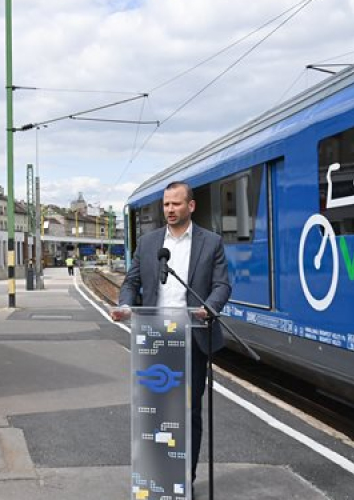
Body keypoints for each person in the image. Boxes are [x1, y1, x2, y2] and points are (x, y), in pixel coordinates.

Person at [111, 181, 231, 484]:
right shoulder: (149, 243)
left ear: (190, 206)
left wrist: (210, 307)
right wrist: (126, 306)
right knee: (155, 411)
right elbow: (131, 283)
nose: (169, 210)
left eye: (176, 204)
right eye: (166, 204)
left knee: (188, 412)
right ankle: (156, 478)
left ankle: (184, 479)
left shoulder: (211, 242)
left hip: (192, 336)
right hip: (154, 336)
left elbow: (222, 286)